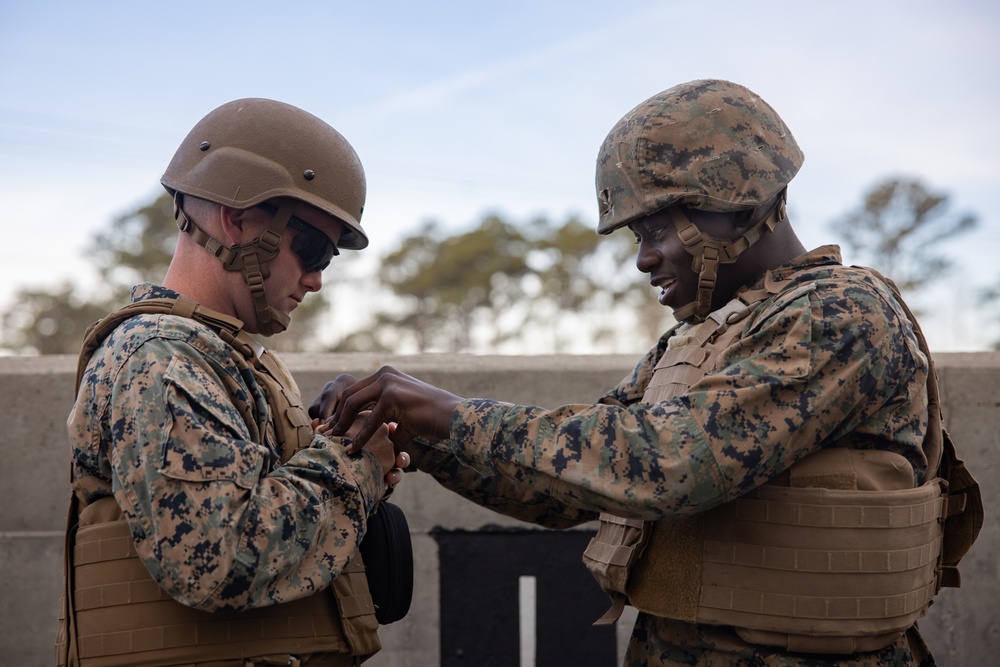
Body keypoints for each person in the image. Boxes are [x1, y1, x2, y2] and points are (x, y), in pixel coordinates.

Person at [313, 80, 982, 666]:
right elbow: (571, 485)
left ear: (743, 206)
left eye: (656, 230)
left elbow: (667, 461)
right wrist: (410, 429)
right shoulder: (702, 338)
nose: (644, 260)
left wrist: (449, 413)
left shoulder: (844, 316)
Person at [58, 98, 409, 666]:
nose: (317, 279)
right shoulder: (163, 362)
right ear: (237, 219)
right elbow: (216, 558)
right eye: (313, 248)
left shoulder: (219, 361)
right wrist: (353, 462)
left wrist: (327, 445)